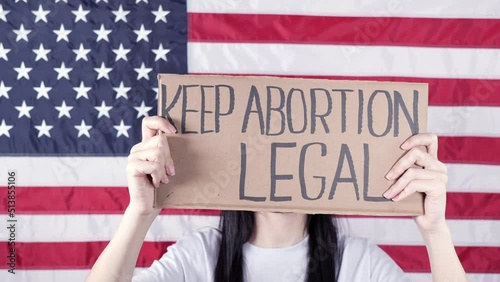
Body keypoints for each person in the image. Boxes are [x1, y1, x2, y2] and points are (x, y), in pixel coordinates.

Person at [85, 116, 468, 282]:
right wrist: (140, 211)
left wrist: (435, 230)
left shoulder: (359, 264)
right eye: (268, 150)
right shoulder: (198, 257)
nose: (283, 166)